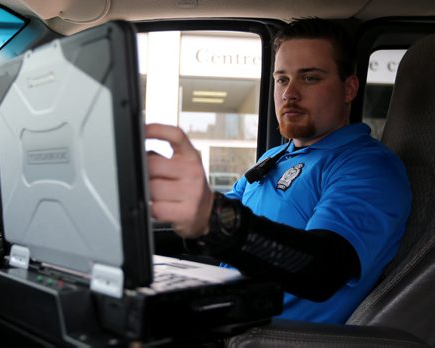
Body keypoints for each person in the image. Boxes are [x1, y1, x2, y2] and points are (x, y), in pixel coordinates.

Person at [145, 18, 411, 324]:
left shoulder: (368, 167)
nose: (289, 94)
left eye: (309, 78)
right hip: (219, 317)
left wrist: (214, 219)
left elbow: (322, 270)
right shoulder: (274, 157)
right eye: (282, 79)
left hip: (264, 338)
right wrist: (129, 241)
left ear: (349, 88)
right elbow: (208, 236)